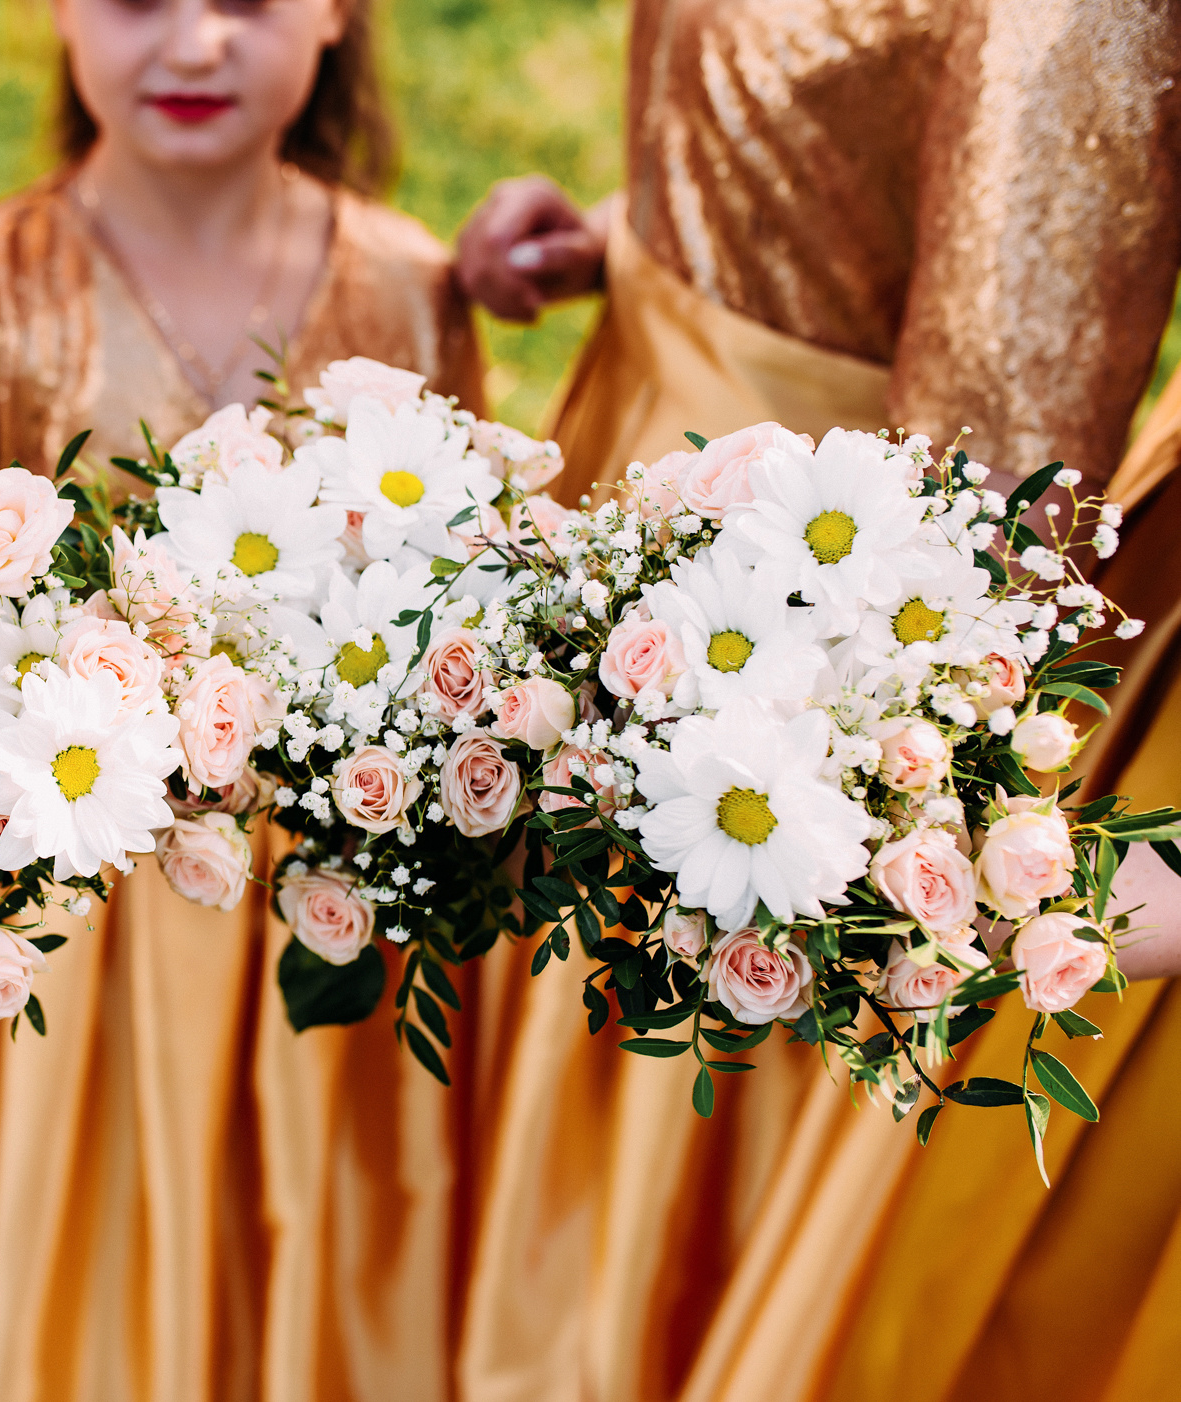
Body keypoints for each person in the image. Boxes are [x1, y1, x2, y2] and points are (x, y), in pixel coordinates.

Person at [441, 4, 1181, 1400]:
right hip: (646, 482)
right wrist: (682, 222)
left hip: (775, 634)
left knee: (648, 1172)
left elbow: (969, 540)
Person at [0, 0, 489, 1394]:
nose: (193, 45)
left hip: (328, 915)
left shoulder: (407, 284)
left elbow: (461, 596)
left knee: (323, 1227)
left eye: (248, 2)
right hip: (72, 928)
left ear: (335, 19)